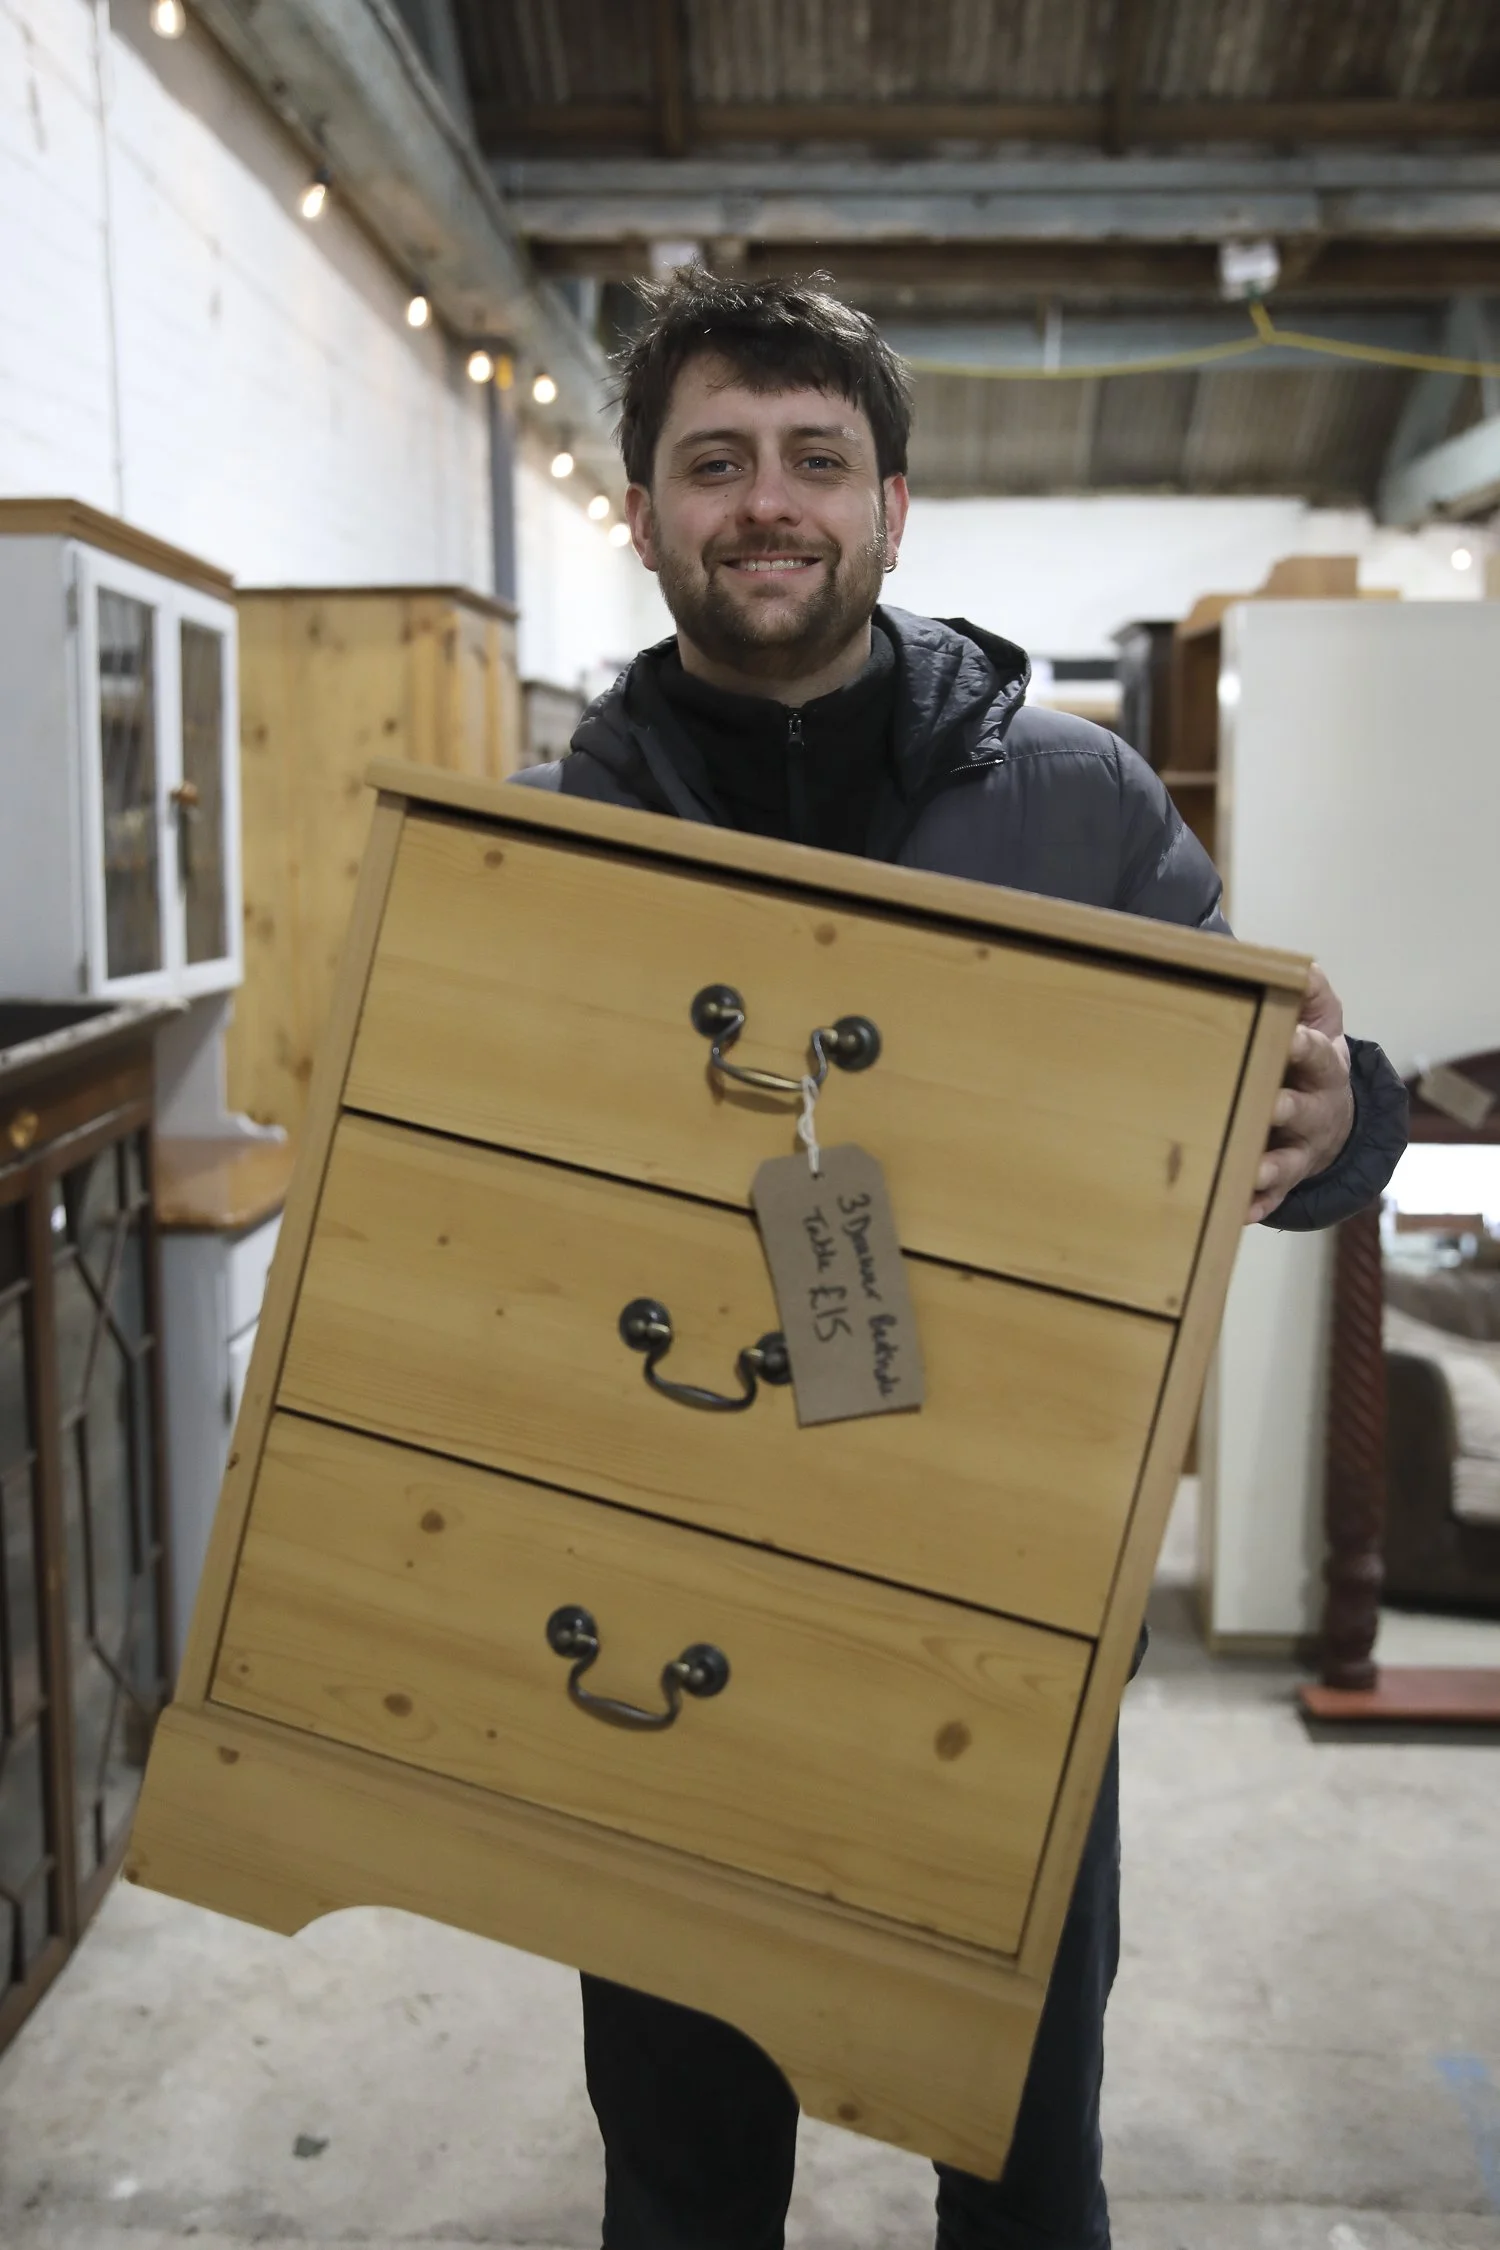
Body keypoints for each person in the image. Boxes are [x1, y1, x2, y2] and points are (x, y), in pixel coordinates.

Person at [515, 270, 1408, 2250]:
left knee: (1020, 2168)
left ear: (892, 509)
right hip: (672, 1599)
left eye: (816, 461)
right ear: (645, 511)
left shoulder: (1077, 800)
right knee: (679, 2180)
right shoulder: (549, 835)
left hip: (1004, 1607)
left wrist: (1362, 1122)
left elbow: (1272, 1111)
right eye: (715, 461)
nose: (768, 503)